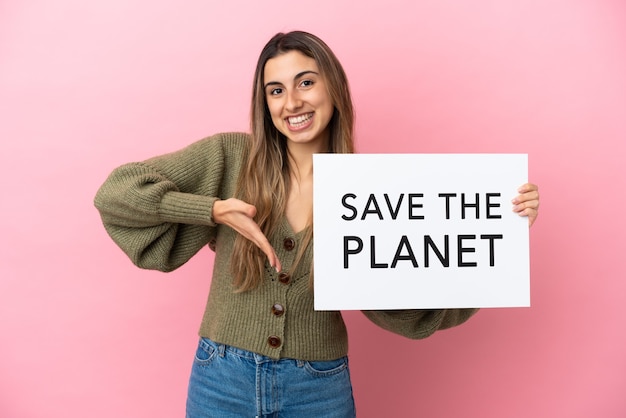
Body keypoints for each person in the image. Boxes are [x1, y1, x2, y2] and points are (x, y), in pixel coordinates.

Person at [94, 31, 540, 418]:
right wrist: (212, 211)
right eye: (275, 90)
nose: (292, 103)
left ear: (333, 88)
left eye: (305, 82)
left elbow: (409, 307)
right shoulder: (232, 157)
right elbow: (117, 193)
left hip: (318, 387)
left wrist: (503, 231)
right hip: (221, 377)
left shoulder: (368, 192)